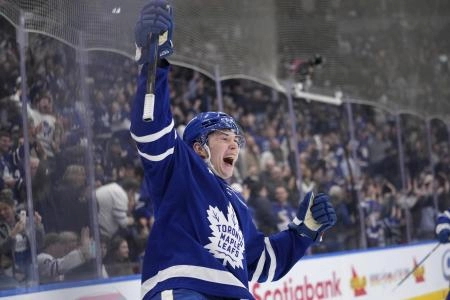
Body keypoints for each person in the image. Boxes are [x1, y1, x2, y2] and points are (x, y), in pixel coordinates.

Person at [130, 1, 337, 299]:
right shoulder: (180, 168)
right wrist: (153, 64)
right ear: (199, 148)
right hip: (183, 288)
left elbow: (261, 262)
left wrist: (304, 230)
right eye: (224, 137)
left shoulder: (236, 204)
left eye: (237, 140)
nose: (234, 145)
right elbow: (150, 127)